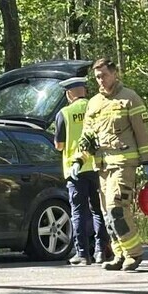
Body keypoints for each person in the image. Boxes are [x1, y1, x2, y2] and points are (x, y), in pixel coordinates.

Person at [73, 57, 148, 272]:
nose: (100, 80)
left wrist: (147, 161)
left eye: (104, 75)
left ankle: (134, 253)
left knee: (117, 208)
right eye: (97, 77)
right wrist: (79, 159)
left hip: (123, 163)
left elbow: (142, 132)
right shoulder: (94, 103)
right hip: (102, 165)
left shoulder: (130, 98)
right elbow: (87, 136)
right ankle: (119, 254)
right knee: (107, 214)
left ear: (115, 73)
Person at [52, 75, 112, 265]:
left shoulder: (64, 113)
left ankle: (82, 254)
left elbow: (59, 145)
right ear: (85, 90)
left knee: (78, 212)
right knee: (98, 210)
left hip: (75, 169)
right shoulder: (97, 107)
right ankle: (101, 251)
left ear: (69, 94)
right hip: (97, 166)